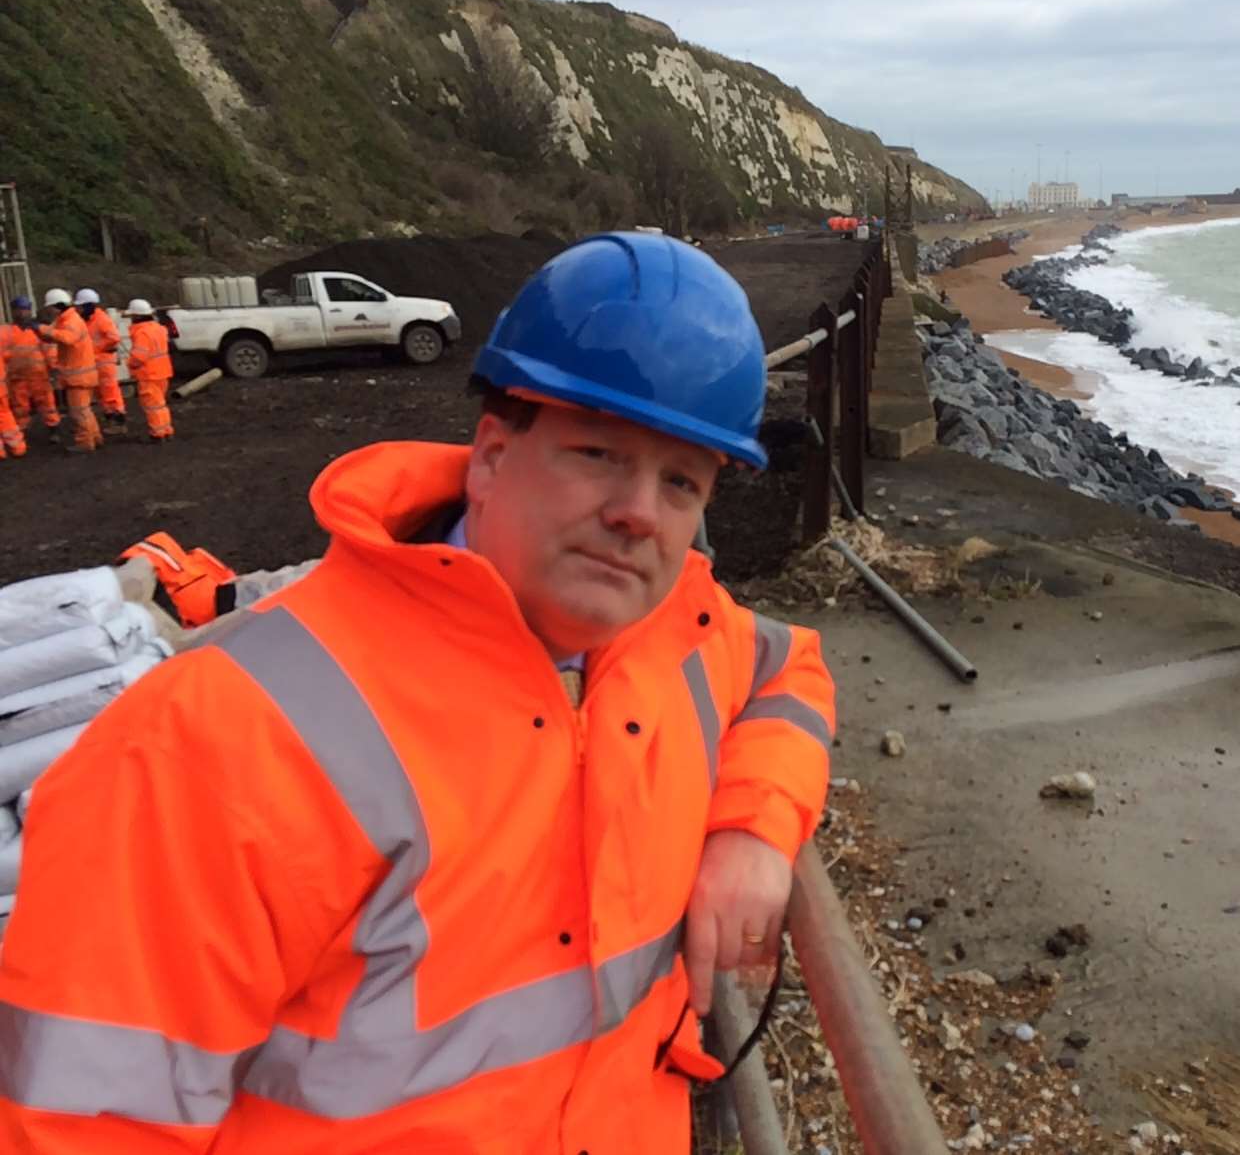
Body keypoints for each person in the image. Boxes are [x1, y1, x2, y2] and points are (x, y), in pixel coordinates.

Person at [0, 232, 836, 1153]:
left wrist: (754, 831)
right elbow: (82, 1123)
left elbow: (788, 674)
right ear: (489, 453)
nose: (640, 510)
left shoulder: (685, 628)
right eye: (597, 452)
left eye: (681, 480)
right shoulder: (213, 742)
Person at [37, 288, 101, 453]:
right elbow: (54, 335)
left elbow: (67, 338)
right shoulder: (66, 319)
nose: (48, 311)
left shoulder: (71, 321)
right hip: (80, 375)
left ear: (57, 306)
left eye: (49, 307)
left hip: (78, 376)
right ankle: (94, 438)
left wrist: (42, 329)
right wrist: (41, 331)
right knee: (84, 411)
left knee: (79, 412)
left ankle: (85, 443)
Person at [0, 296, 61, 438]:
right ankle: (21, 433)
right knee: (20, 406)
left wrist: (54, 368)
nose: (22, 313)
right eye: (19, 310)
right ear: (13, 311)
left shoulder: (38, 329)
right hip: (17, 377)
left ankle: (54, 430)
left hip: (39, 376)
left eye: (25, 310)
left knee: (47, 404)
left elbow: (49, 349)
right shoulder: (7, 331)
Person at [75, 287, 128, 433]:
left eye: (80, 306)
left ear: (87, 306)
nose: (78, 309)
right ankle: (112, 421)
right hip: (94, 362)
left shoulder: (101, 319)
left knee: (110, 393)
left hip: (103, 362)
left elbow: (114, 338)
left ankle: (118, 423)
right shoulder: (87, 320)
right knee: (102, 394)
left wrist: (93, 349)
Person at [124, 298, 175, 441]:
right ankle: (166, 429)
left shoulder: (142, 333)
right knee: (160, 404)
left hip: (149, 374)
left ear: (137, 316)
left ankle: (157, 433)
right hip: (163, 372)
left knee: (152, 406)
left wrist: (130, 364)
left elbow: (139, 356)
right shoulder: (158, 328)